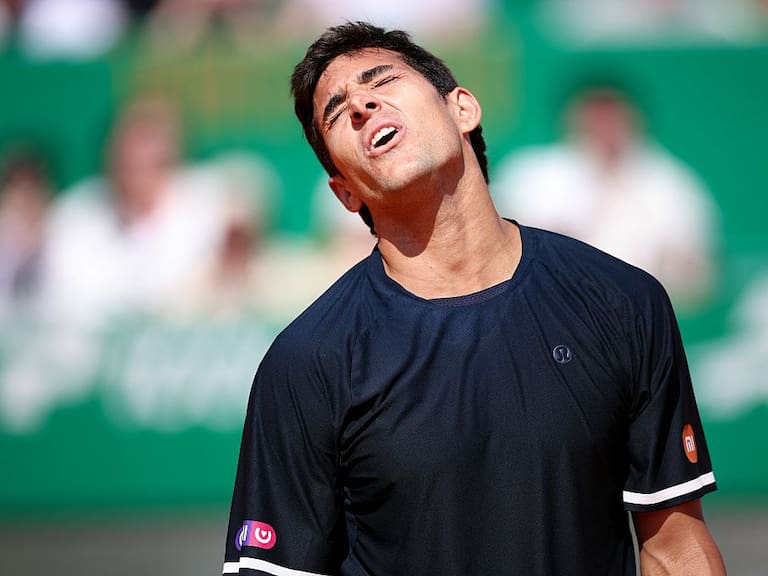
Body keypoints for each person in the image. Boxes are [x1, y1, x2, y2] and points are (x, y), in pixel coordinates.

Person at [223, 22, 725, 576]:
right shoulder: (305, 362)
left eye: (381, 80)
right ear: (345, 191)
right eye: (337, 112)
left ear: (462, 108)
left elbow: (674, 547)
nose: (363, 104)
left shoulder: (624, 303)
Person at [492, 79, 720, 312]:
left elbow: (698, 275)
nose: (604, 126)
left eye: (612, 115)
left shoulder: (672, 183)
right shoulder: (530, 173)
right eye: (595, 115)